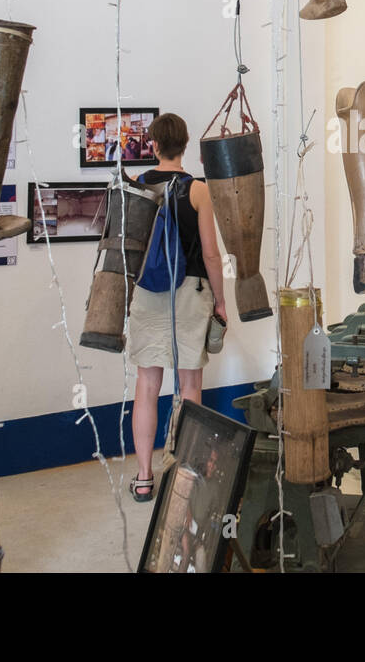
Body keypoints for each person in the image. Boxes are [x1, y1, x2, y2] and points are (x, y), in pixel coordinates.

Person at [129, 113, 228, 503]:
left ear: (153, 144)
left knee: (147, 386)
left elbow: (130, 247)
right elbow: (211, 254)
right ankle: (187, 473)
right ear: (185, 145)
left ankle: (142, 477)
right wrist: (220, 302)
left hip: (148, 291)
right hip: (190, 291)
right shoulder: (199, 191)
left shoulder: (138, 186)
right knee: (190, 387)